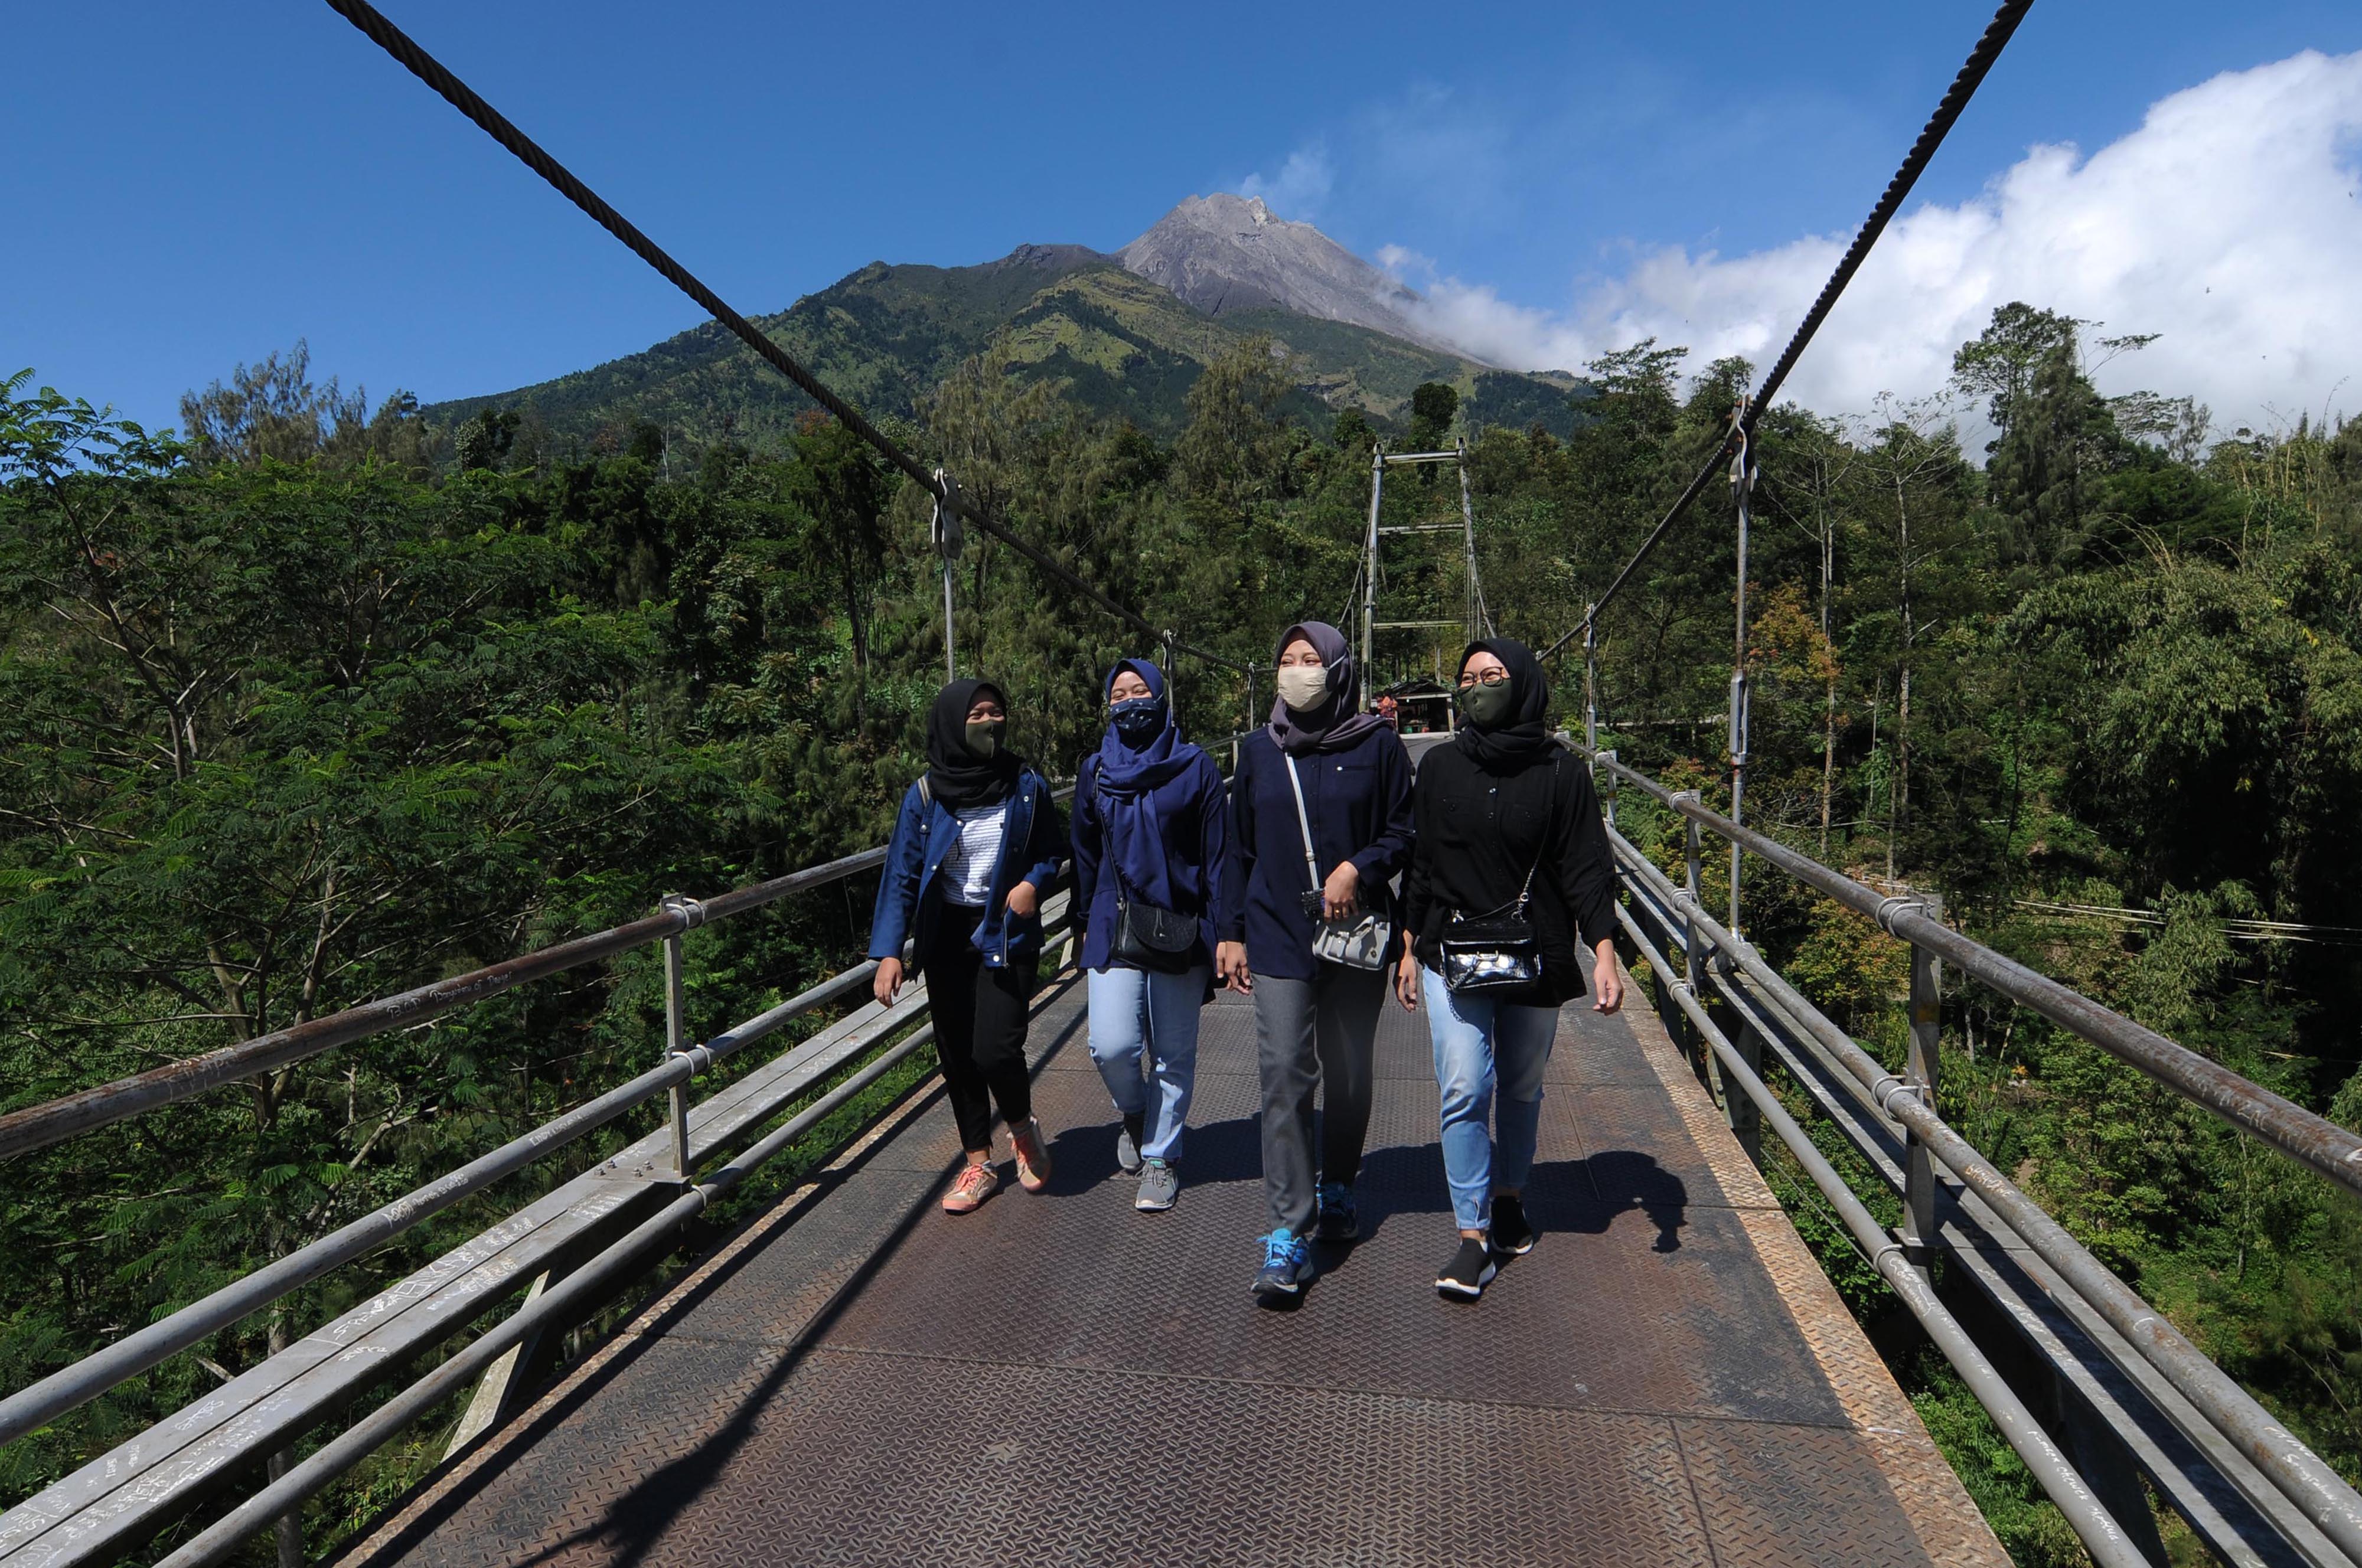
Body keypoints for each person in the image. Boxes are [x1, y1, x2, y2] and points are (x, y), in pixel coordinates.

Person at [1395, 639, 1623, 1299]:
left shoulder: (1560, 771)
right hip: (1448, 949)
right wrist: (1408, 946)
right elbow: (1421, 862)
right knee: (1466, 1084)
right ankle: (1471, 1238)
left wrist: (1602, 949)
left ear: (1522, 682)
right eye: (1466, 679)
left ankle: (1510, 1196)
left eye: (1492, 676)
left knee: (1521, 1085)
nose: (1478, 687)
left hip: (1537, 951)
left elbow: (1585, 865)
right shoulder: (1438, 766)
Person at [1218, 621, 1415, 1302]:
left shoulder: (1378, 745)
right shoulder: (1256, 752)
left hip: (1355, 935)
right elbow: (1235, 847)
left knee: (1350, 1068)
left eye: (1310, 660)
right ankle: (1288, 1232)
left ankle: (1338, 1184)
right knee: (1282, 1074)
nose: (1296, 670)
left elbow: (1404, 829)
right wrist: (1231, 931)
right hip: (1276, 932)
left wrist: (1358, 868)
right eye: (1286, 659)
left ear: (1337, 671)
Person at [870, 678, 1068, 1214]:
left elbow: (1053, 851)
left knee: (995, 1049)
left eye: (996, 712)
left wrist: (1033, 884)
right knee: (957, 1056)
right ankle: (978, 1162)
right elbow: (903, 874)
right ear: (953, 724)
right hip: (946, 938)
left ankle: (1023, 1130)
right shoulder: (926, 794)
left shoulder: (1026, 784)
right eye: (977, 714)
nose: (989, 722)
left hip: (1006, 930)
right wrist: (890, 950)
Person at [1071, 659, 1226, 1212]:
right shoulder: (1094, 772)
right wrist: (1080, 924)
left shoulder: (1195, 767)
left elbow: (1217, 857)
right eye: (1120, 693)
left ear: (1161, 698)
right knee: (1110, 1045)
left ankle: (1161, 1157)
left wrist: (1226, 934)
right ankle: (1134, 1111)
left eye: (1141, 691)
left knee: (1174, 1052)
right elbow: (1084, 854)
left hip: (1182, 925)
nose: (1131, 701)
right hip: (1114, 923)